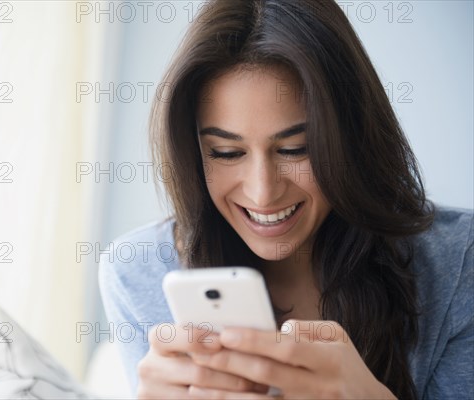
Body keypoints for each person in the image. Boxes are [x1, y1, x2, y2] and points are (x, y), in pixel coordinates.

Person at [98, 0, 473, 399]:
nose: (263, 192)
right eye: (226, 153)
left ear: (351, 137)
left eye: (296, 149)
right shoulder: (137, 270)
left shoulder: (459, 263)